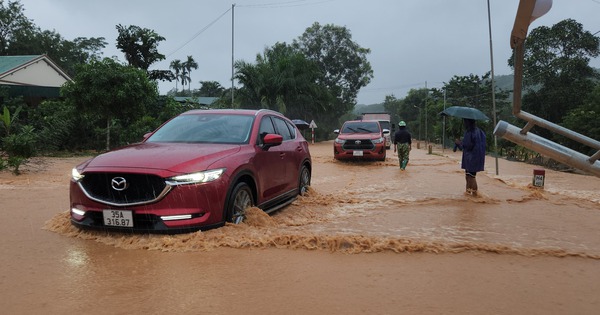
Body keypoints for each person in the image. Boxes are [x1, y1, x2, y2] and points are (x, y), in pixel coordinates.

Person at [461, 118, 486, 196]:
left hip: (471, 158)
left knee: (471, 176)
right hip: (478, 157)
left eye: (465, 121)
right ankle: (468, 194)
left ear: (468, 122)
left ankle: (475, 195)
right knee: (469, 175)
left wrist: (459, 143)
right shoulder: (480, 131)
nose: (464, 123)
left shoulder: (470, 132)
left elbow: (467, 145)